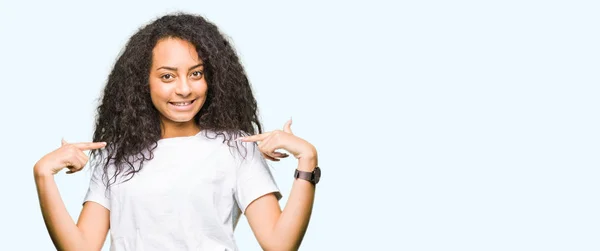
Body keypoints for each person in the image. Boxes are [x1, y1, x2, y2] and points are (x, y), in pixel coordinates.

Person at [33, 12, 321, 251]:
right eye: (167, 76)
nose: (184, 89)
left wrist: (307, 160)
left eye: (196, 73)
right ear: (143, 82)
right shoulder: (117, 157)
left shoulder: (235, 147)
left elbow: (280, 245)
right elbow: (80, 248)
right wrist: (43, 175)